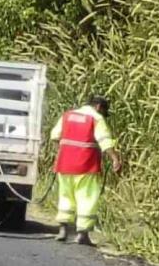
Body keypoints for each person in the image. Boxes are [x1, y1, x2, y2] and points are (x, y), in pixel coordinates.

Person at [51, 94, 122, 246]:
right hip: (86, 165)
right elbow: (105, 141)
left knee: (65, 195)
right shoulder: (96, 118)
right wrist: (115, 158)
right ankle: (82, 235)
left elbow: (55, 136)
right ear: (98, 107)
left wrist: (62, 152)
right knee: (86, 197)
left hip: (64, 164)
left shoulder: (68, 115)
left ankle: (63, 230)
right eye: (104, 110)